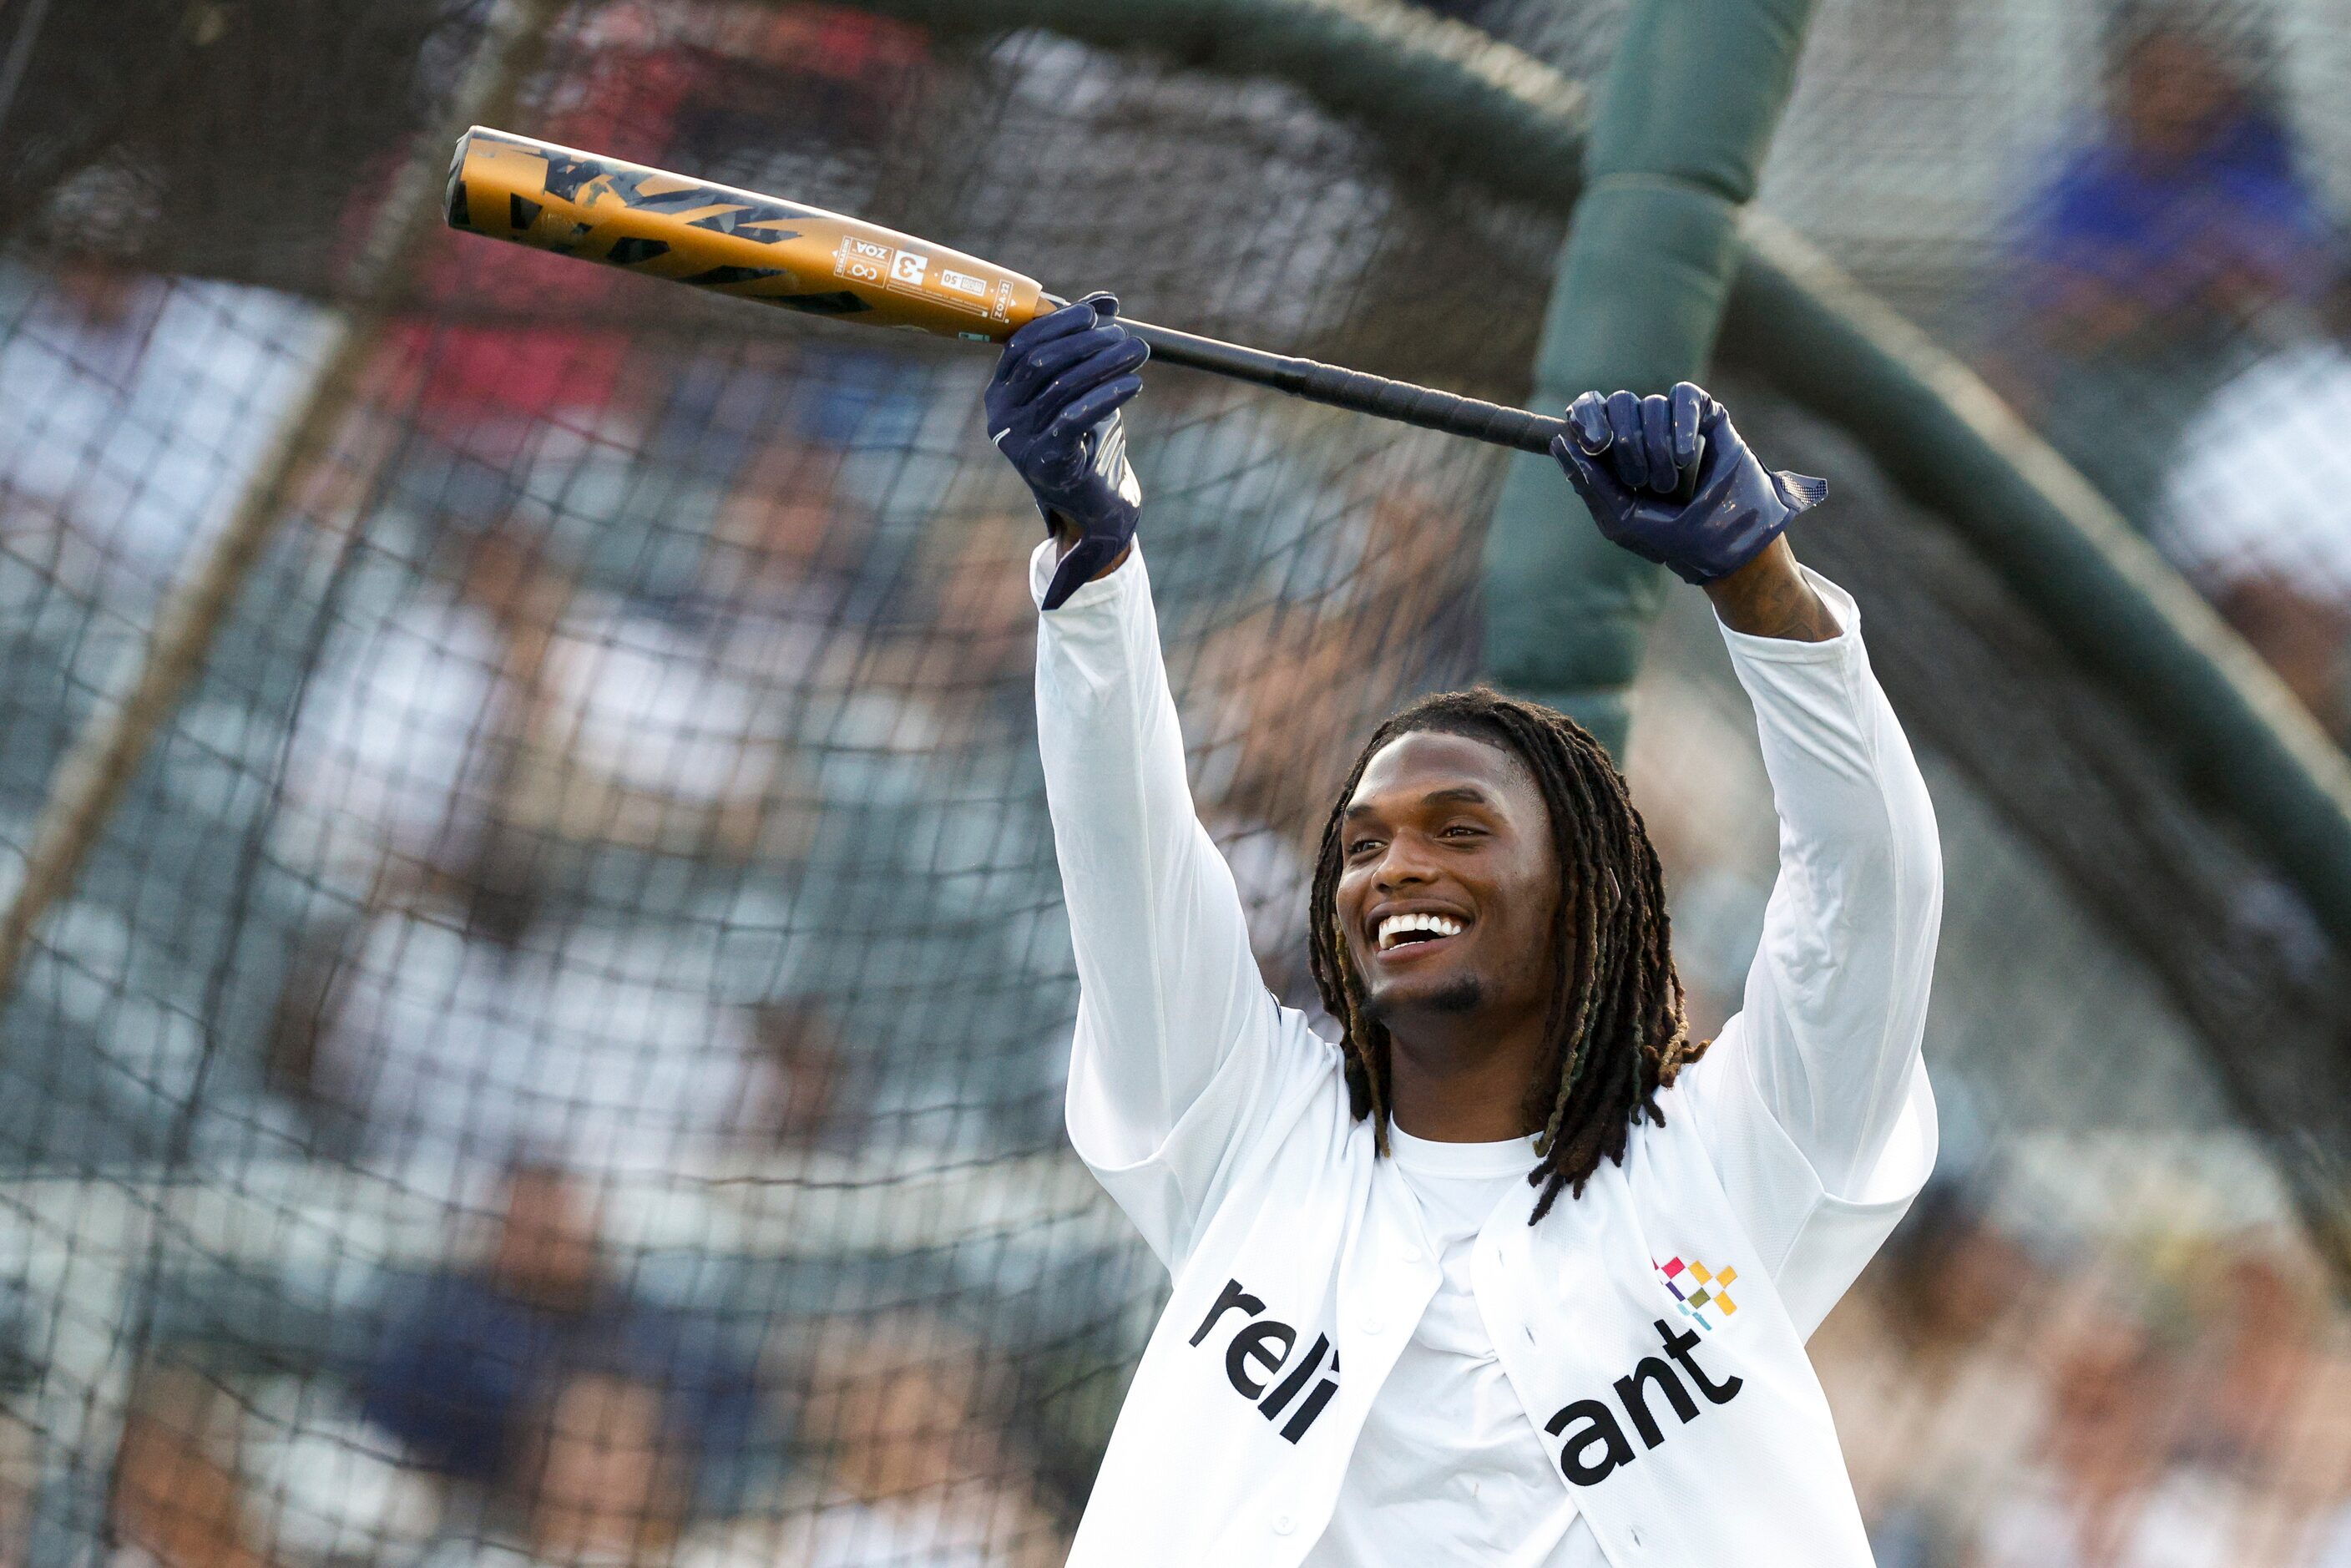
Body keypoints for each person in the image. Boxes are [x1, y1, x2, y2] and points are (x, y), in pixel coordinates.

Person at [984, 296, 1941, 1565]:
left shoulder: (1732, 1154)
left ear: (1585, 900)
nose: (1394, 868)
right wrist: (1092, 555)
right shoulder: (1241, 1121)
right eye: (1364, 842)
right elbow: (1128, 846)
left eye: (1461, 828)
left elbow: (1865, 892)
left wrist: (1754, 579)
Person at [2000, 13, 2336, 525]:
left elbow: (2259, 285)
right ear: (2122, 88)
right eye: (2156, 80)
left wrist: (2143, 291)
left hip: (2227, 380)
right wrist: (2175, 285)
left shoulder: (2256, 168)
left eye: (2193, 80)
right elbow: (2062, 305)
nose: (2177, 100)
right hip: (2101, 385)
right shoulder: (2089, 176)